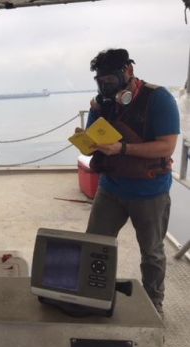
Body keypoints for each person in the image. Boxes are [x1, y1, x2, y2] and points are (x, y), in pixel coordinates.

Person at [83, 48, 180, 315]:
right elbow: (93, 143)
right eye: (101, 82)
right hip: (111, 187)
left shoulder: (158, 99)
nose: (106, 87)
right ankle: (94, 295)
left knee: (152, 253)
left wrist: (123, 149)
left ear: (129, 72)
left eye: (111, 81)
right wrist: (88, 139)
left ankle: (153, 305)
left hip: (150, 191)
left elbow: (167, 147)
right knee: (94, 245)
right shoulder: (103, 103)